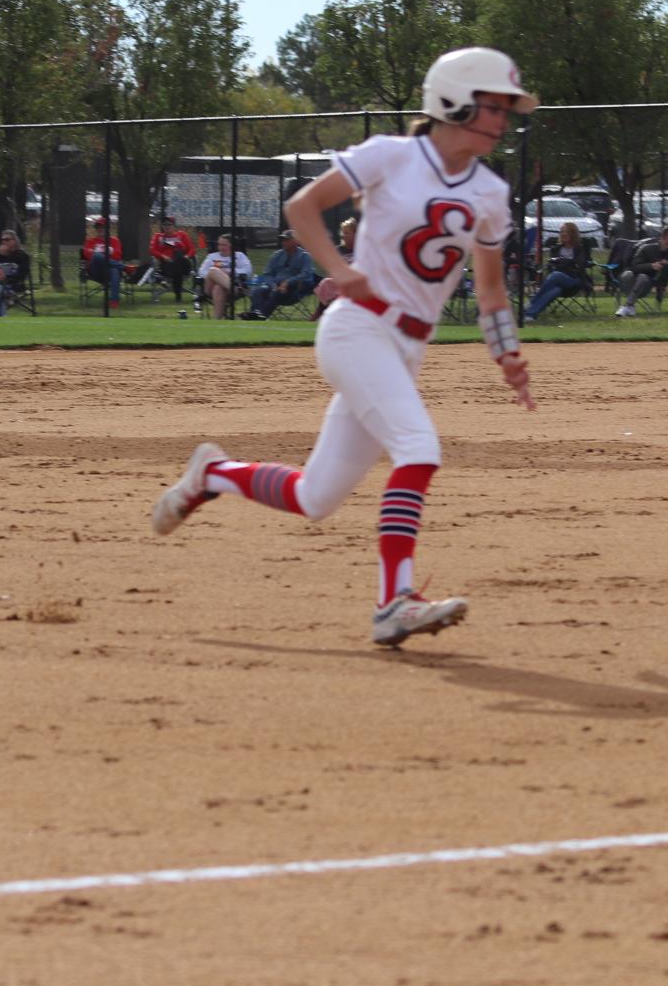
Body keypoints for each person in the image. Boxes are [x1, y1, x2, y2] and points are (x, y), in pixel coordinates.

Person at [150, 46, 538, 648]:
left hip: (405, 351)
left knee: (315, 497)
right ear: (454, 102)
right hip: (357, 329)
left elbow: (490, 291)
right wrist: (336, 265)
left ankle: (214, 475)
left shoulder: (489, 191)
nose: (503, 120)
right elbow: (302, 206)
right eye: (494, 106)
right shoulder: (391, 155)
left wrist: (505, 353)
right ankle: (394, 603)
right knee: (419, 447)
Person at [522, 221, 595, 322]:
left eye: (566, 232)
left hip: (574, 280)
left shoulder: (579, 249)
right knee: (555, 290)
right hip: (556, 282)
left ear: (572, 234)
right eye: (561, 232)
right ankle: (530, 315)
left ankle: (532, 301)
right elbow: (552, 265)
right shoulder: (557, 249)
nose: (563, 234)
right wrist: (564, 263)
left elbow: (579, 266)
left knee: (556, 275)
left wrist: (563, 263)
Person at [244, 228, 317, 320]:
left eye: (287, 239)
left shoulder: (305, 256)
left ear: (296, 241)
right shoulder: (277, 255)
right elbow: (267, 274)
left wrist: (288, 282)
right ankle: (255, 313)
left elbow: (306, 274)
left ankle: (260, 316)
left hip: (295, 289)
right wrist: (273, 285)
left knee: (277, 293)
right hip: (275, 285)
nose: (284, 242)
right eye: (283, 240)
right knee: (259, 291)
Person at [613, 225, 668, 318]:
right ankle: (630, 306)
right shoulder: (646, 248)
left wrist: (666, 267)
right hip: (629, 282)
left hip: (646, 285)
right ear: (666, 237)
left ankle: (628, 305)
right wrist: (651, 266)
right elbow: (633, 267)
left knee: (642, 277)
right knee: (628, 274)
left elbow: (665, 277)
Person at [314, 216, 359, 316]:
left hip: (355, 282)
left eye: (347, 233)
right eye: (343, 233)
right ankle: (322, 311)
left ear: (355, 234)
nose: (344, 236)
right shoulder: (338, 250)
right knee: (326, 282)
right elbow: (331, 269)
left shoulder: (362, 250)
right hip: (338, 281)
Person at [197, 235, 252, 314]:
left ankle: (218, 320)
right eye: (219, 244)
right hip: (210, 287)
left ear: (232, 245)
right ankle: (233, 288)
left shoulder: (240, 256)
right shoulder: (212, 256)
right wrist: (217, 275)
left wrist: (230, 272)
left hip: (228, 286)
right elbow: (201, 271)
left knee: (219, 287)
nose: (221, 247)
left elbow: (248, 271)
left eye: (224, 245)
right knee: (213, 271)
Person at [147, 215, 195, 301]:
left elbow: (192, 249)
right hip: (167, 265)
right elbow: (152, 250)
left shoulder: (182, 235)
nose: (167, 227)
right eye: (164, 224)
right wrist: (163, 256)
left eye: (169, 224)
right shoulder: (158, 237)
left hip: (184, 264)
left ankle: (164, 281)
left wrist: (186, 256)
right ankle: (178, 296)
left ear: (174, 226)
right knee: (177, 269)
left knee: (178, 253)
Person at [82, 217, 125, 309]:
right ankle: (124, 267)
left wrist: (102, 253)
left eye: (103, 227)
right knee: (96, 256)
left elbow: (118, 256)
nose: (100, 229)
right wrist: (106, 253)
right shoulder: (90, 241)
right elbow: (88, 254)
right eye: (98, 227)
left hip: (109, 270)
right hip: (95, 271)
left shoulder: (115, 241)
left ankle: (114, 301)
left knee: (115, 271)